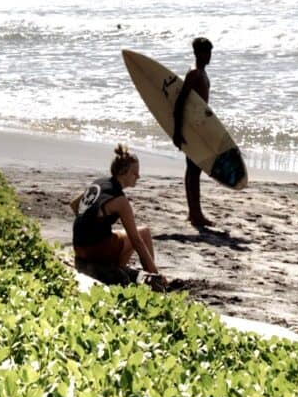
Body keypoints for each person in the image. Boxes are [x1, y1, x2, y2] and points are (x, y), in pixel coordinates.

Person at [72, 145, 163, 285]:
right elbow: (136, 241)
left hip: (79, 246)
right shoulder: (120, 200)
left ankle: (118, 268)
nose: (138, 176)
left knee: (118, 236)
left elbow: (74, 204)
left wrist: (88, 225)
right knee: (144, 232)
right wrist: (157, 273)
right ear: (123, 172)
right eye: (135, 173)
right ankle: (155, 279)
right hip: (95, 249)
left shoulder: (98, 183)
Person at [178, 36, 217, 232]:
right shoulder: (194, 73)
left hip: (199, 126)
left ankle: (194, 212)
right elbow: (180, 102)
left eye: (210, 52)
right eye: (207, 52)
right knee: (194, 170)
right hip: (192, 129)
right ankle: (195, 214)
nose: (209, 56)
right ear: (198, 53)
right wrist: (178, 131)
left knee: (193, 170)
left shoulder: (201, 72)